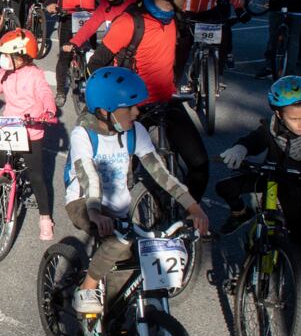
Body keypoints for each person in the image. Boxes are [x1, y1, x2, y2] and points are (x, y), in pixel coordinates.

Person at [62, 67, 209, 321]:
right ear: (104, 111)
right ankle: (85, 288)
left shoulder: (135, 131)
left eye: (136, 106)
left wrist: (192, 206)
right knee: (118, 241)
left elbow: (160, 173)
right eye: (128, 108)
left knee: (130, 265)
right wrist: (95, 212)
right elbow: (88, 175)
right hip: (84, 201)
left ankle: (109, 317)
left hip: (117, 206)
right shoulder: (82, 134)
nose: (137, 112)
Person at [217, 76, 301, 323]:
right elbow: (253, 141)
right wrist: (240, 149)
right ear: (278, 114)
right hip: (273, 180)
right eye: (294, 118)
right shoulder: (270, 129)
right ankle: (242, 218)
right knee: (225, 187)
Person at [85, 0, 209, 202]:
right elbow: (96, 64)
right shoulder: (131, 21)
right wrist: (112, 105)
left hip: (166, 102)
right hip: (134, 107)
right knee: (120, 176)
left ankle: (185, 219)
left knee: (200, 165)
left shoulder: (176, 18)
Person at [0, 28, 60, 240]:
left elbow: (46, 94)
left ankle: (45, 217)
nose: (3, 60)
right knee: (1, 162)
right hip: (8, 126)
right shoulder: (5, 74)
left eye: (7, 56)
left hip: (30, 129)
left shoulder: (35, 75)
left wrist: (49, 111)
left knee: (36, 176)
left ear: (21, 56)